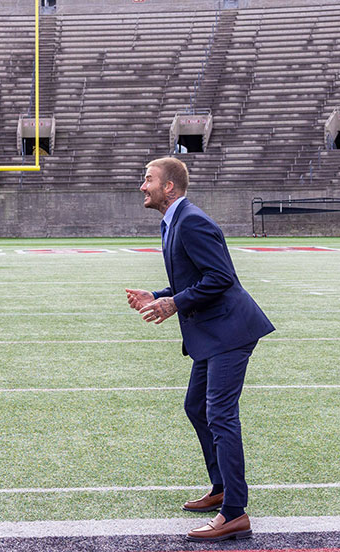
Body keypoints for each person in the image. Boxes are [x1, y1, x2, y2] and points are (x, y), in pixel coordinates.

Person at [125, 157, 274, 543]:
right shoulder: (173, 220)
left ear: (169, 187)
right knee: (197, 406)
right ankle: (221, 488)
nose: (143, 186)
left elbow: (221, 278)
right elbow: (194, 276)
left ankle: (235, 512)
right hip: (211, 334)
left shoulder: (191, 220)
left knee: (220, 415)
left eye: (148, 180)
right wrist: (157, 295)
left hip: (230, 331)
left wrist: (173, 304)